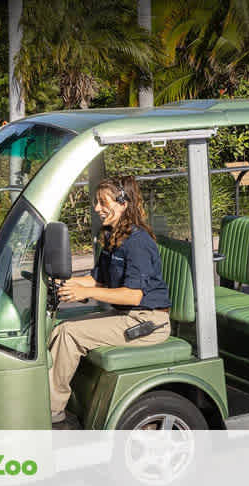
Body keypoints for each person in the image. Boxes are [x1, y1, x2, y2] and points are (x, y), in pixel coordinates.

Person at [49, 176, 171, 428]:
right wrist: (64, 283)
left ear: (123, 203)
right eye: (96, 202)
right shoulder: (114, 237)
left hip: (148, 321)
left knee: (70, 334)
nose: (96, 208)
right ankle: (57, 399)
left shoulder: (138, 242)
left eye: (103, 202)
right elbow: (95, 279)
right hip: (129, 316)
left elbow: (132, 295)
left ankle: (50, 412)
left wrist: (87, 293)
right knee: (59, 328)